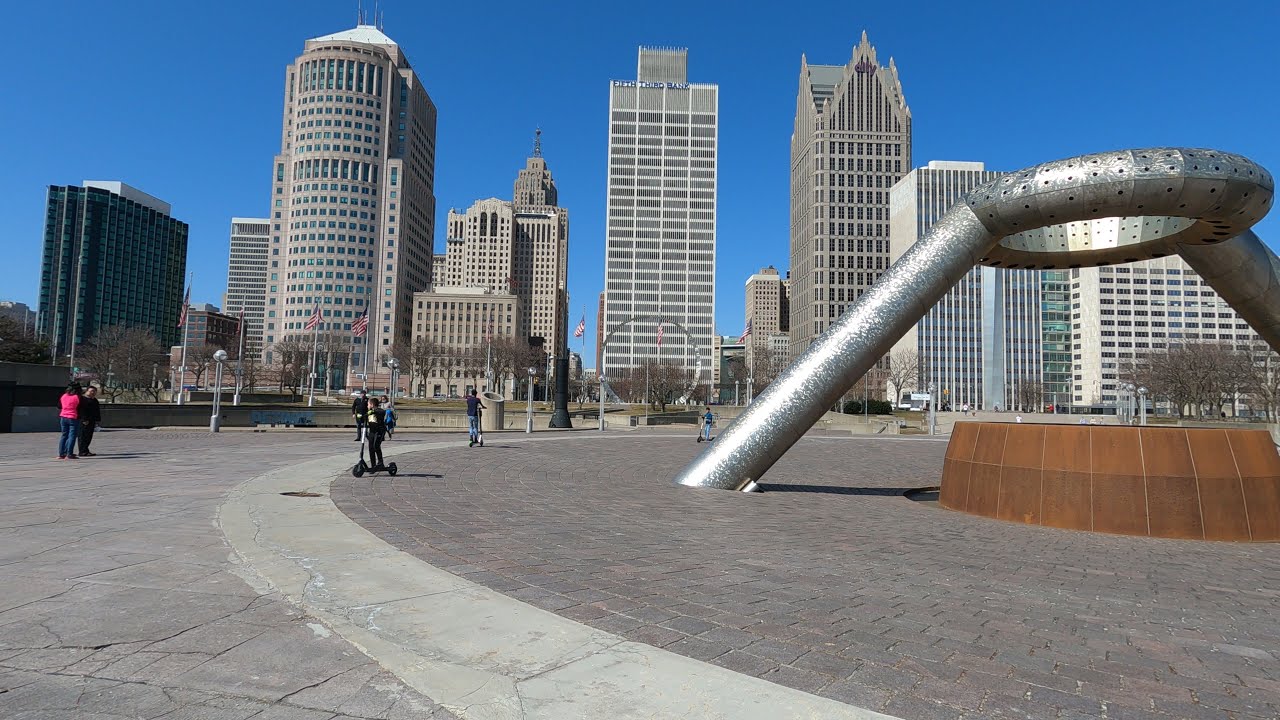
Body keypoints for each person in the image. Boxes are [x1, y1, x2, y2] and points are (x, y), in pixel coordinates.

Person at [57, 383, 82, 460]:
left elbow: (59, 406)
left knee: (64, 435)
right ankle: (69, 454)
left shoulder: (64, 396)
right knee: (72, 436)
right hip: (73, 418)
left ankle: (61, 454)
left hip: (63, 417)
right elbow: (81, 408)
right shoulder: (77, 397)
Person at [78, 385, 102, 456]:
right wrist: (84, 419)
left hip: (92, 420)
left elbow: (97, 410)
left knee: (89, 436)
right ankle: (82, 451)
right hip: (84, 420)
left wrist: (97, 420)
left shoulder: (94, 400)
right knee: (83, 436)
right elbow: (81, 410)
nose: (93, 393)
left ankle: (86, 449)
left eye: (94, 391)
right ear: (87, 391)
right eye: (91, 391)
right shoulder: (82, 399)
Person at [365, 397, 387, 469]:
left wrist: (374, 411)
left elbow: (382, 412)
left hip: (379, 431)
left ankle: (380, 463)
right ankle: (373, 465)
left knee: (376, 446)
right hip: (372, 431)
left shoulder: (379, 411)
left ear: (372, 404)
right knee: (371, 448)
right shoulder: (369, 412)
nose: (367, 406)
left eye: (368, 404)